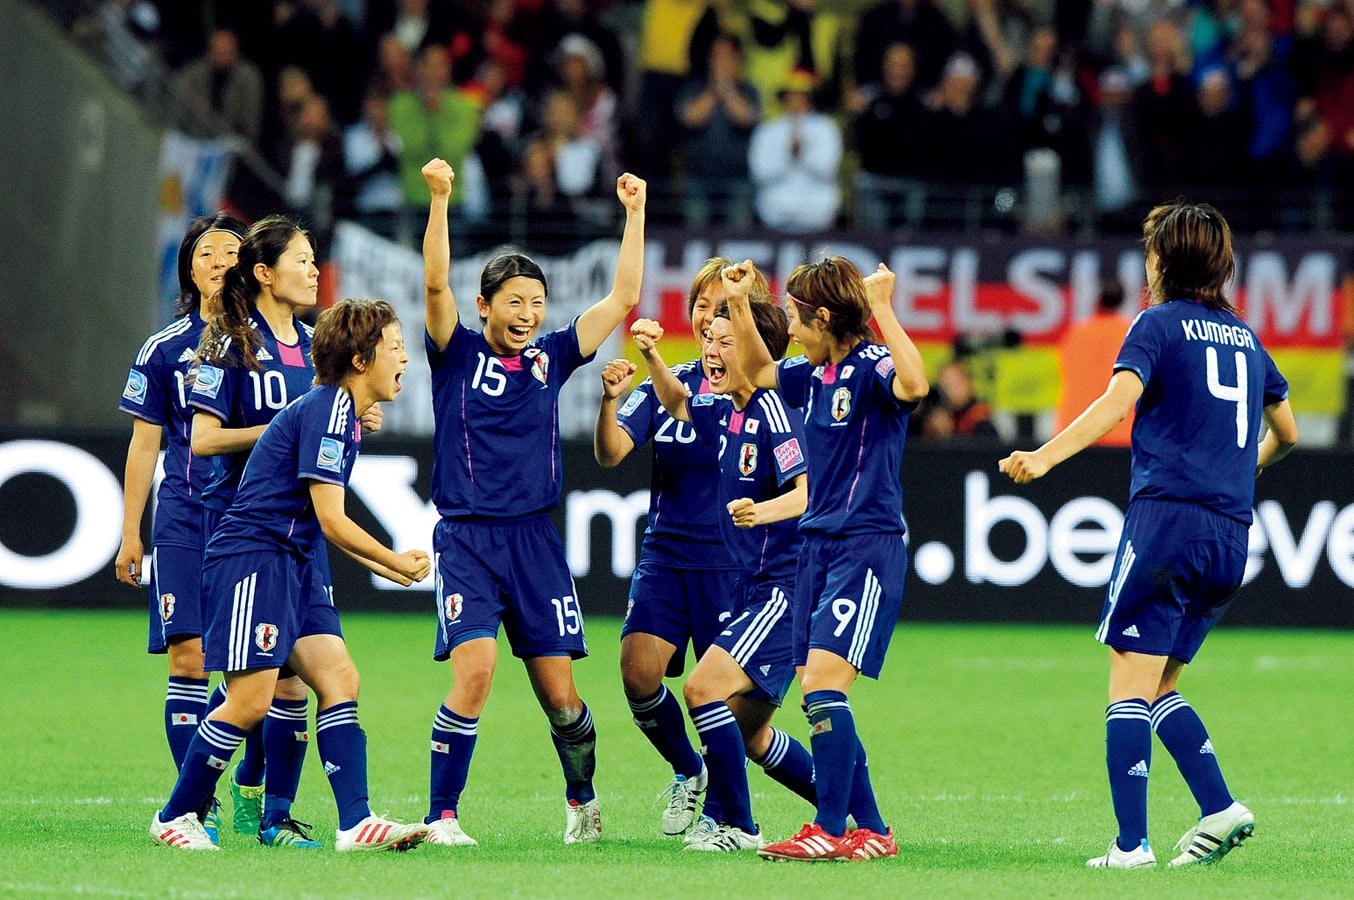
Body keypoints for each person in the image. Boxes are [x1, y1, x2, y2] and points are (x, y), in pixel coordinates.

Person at [999, 201, 1298, 869]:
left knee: (1126, 684)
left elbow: (1115, 402)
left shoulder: (1157, 324)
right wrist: (1237, 471)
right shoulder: (1248, 339)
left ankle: (1130, 845)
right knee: (1160, 682)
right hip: (1230, 532)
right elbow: (1290, 433)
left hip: (1167, 522)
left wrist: (1044, 457)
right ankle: (1219, 807)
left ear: (1161, 262)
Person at [418, 157, 646, 847]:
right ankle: (442, 817)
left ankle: (582, 797)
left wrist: (635, 213)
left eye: (535, 302)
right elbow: (433, 280)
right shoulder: (453, 352)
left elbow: (622, 298)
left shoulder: (551, 356)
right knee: (477, 672)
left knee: (563, 701)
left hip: (534, 544)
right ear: (483, 305)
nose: (527, 314)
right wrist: (440, 199)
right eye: (513, 302)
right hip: (466, 542)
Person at [151, 299, 433, 852]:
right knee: (251, 701)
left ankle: (356, 823)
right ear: (360, 358)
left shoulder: (339, 412)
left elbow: (318, 522)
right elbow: (331, 519)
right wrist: (393, 559)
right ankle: (174, 816)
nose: (404, 357)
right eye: (395, 346)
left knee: (339, 680)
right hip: (254, 558)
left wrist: (387, 566)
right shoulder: (329, 409)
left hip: (294, 562)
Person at [725, 256, 929, 862]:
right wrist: (739, 304)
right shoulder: (811, 375)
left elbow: (916, 385)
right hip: (815, 549)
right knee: (822, 692)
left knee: (821, 688)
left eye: (793, 316)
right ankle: (872, 828)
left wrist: (885, 308)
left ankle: (831, 829)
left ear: (822, 316)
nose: (788, 328)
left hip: (864, 546)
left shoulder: (870, 367)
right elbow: (758, 372)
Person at [189, 216, 369, 848]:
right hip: (242, 526)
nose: (315, 269)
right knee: (260, 688)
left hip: (299, 534)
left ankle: (274, 815)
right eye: (302, 259)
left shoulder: (318, 342)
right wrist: (286, 430)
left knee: (303, 681)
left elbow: (325, 424)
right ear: (264, 273)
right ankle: (192, 807)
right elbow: (204, 439)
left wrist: (352, 419)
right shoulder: (225, 342)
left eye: (316, 257)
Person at [633, 273, 815, 853]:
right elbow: (680, 403)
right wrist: (656, 357)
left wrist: (759, 513)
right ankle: (858, 813)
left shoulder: (775, 410)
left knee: (705, 692)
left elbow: (806, 494)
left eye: (725, 338)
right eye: (707, 338)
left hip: (780, 588)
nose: (711, 350)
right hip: (748, 588)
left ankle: (736, 823)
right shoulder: (726, 411)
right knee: (750, 730)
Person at [593, 258, 769, 839]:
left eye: (724, 309)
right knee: (638, 673)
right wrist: (610, 401)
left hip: (733, 563)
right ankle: (687, 769)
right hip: (666, 558)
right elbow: (613, 451)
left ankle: (728, 815)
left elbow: (687, 405)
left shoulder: (759, 390)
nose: (708, 317)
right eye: (701, 304)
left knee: (728, 708)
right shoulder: (677, 379)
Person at [115, 214, 247, 834]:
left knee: (265, 672)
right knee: (188, 659)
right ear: (189, 269)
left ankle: (251, 792)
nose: (220, 259)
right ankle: (197, 808)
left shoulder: (277, 339)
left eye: (232, 249)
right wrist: (130, 532)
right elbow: (145, 447)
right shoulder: (164, 348)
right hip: (184, 519)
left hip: (254, 521)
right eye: (206, 251)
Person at [1056, 277, 1135, 445]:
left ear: (1098, 300)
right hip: (1122, 431)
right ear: (1123, 300)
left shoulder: (1076, 335)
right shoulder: (1132, 334)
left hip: (1075, 431)